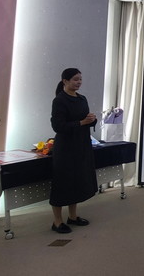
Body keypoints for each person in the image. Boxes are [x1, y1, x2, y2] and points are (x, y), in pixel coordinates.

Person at [49, 68, 98, 234]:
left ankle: (73, 216)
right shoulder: (59, 100)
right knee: (62, 184)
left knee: (76, 182)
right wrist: (82, 122)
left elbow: (85, 120)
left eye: (80, 79)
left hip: (81, 145)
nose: (79, 82)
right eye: (75, 79)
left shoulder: (82, 98)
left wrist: (92, 120)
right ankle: (57, 222)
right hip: (65, 148)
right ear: (65, 81)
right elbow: (58, 126)